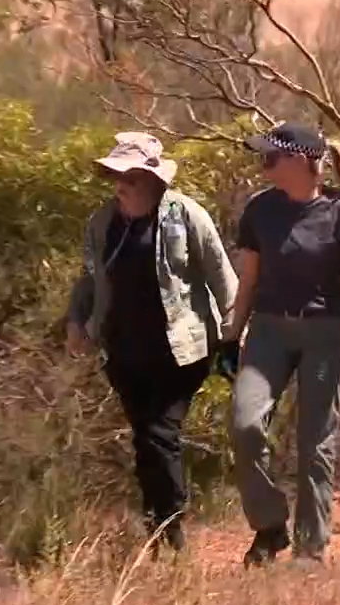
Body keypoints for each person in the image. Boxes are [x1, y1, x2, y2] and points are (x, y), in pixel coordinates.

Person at [65, 131, 239, 556]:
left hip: (181, 350)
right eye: (116, 178)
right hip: (123, 351)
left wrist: (235, 336)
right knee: (146, 438)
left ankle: (170, 530)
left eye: (129, 179)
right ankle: (159, 526)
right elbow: (90, 278)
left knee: (159, 431)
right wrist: (76, 321)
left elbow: (223, 278)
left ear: (153, 182)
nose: (120, 187)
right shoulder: (102, 223)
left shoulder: (187, 216)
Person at [223, 121, 340, 568]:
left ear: (301, 161)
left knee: (315, 440)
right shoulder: (260, 210)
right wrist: (230, 338)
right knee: (244, 424)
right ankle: (270, 527)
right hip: (269, 330)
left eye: (272, 156)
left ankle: (311, 547)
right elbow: (248, 279)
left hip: (322, 333)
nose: (264, 162)